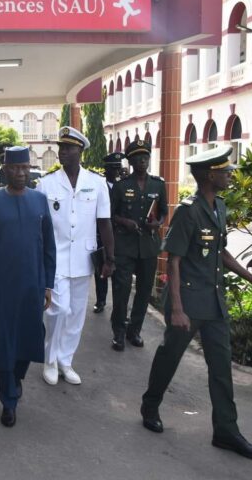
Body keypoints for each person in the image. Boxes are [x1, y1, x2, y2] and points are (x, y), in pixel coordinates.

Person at [140, 145, 252, 461]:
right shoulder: (188, 210)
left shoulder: (219, 208)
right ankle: (150, 404)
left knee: (221, 368)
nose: (229, 175)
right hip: (187, 301)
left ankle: (226, 430)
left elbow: (221, 252)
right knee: (170, 356)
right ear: (210, 175)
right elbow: (174, 260)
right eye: (225, 171)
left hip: (213, 303)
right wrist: (178, 309)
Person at [0, 146, 56, 427]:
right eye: (15, 168)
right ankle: (8, 401)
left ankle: (17, 375)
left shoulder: (40, 201)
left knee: (30, 337)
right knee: (4, 341)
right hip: (0, 288)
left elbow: (49, 247)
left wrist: (48, 284)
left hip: (32, 285)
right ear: (5, 170)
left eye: (25, 168)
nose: (21, 173)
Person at [36, 126, 114, 386]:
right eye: (61, 147)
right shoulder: (45, 184)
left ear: (80, 151)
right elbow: (39, 226)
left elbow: (104, 222)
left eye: (68, 148)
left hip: (84, 257)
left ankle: (65, 361)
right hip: (54, 258)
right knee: (58, 309)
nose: (62, 152)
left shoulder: (97, 183)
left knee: (77, 313)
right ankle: (49, 359)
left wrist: (110, 259)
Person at [110, 139, 168, 350]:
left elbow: (163, 212)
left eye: (145, 158)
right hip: (124, 246)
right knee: (121, 291)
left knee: (144, 292)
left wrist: (158, 223)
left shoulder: (158, 184)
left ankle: (134, 331)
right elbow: (109, 214)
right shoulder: (121, 186)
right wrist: (124, 221)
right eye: (138, 159)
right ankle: (118, 332)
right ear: (131, 161)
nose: (142, 162)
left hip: (148, 246)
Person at [93, 152, 125, 314]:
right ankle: (101, 300)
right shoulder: (99, 185)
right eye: (113, 168)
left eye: (119, 168)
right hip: (102, 235)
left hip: (120, 235)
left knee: (119, 274)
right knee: (101, 270)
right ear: (106, 169)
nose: (117, 171)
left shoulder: (124, 186)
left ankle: (119, 308)